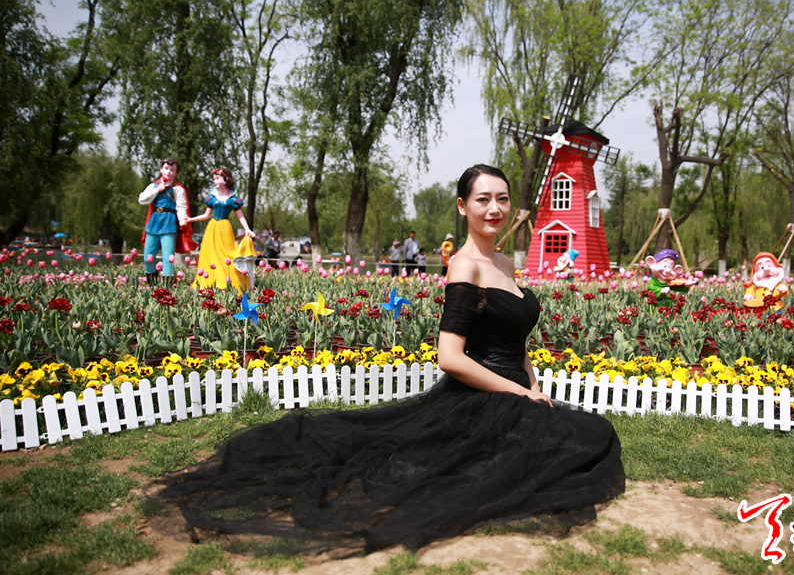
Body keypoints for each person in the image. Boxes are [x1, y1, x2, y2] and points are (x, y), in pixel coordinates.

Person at [153, 163, 624, 558]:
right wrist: (519, 392)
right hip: (481, 395)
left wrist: (533, 386)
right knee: (558, 448)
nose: (494, 208)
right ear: (463, 206)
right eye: (482, 200)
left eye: (501, 199)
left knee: (589, 436)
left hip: (517, 391)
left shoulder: (503, 263)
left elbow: (516, 338)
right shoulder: (464, 266)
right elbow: (449, 357)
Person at [185, 167, 256, 292]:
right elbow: (206, 215)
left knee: (227, 253)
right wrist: (190, 219)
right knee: (210, 254)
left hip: (224, 228)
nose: (215, 181)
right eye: (214, 179)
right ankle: (209, 281)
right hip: (212, 228)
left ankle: (227, 281)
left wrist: (247, 229)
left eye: (217, 178)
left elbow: (241, 217)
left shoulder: (233, 199)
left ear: (226, 179)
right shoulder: (212, 198)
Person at [138, 157, 196, 281]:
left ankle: (168, 284)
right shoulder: (154, 185)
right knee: (148, 256)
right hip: (154, 222)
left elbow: (181, 206)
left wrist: (182, 219)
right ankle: (151, 282)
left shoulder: (178, 189)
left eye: (172, 170)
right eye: (166, 168)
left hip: (169, 223)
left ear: (176, 173)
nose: (168, 172)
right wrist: (157, 190)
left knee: (168, 257)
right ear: (161, 169)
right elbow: (142, 199)